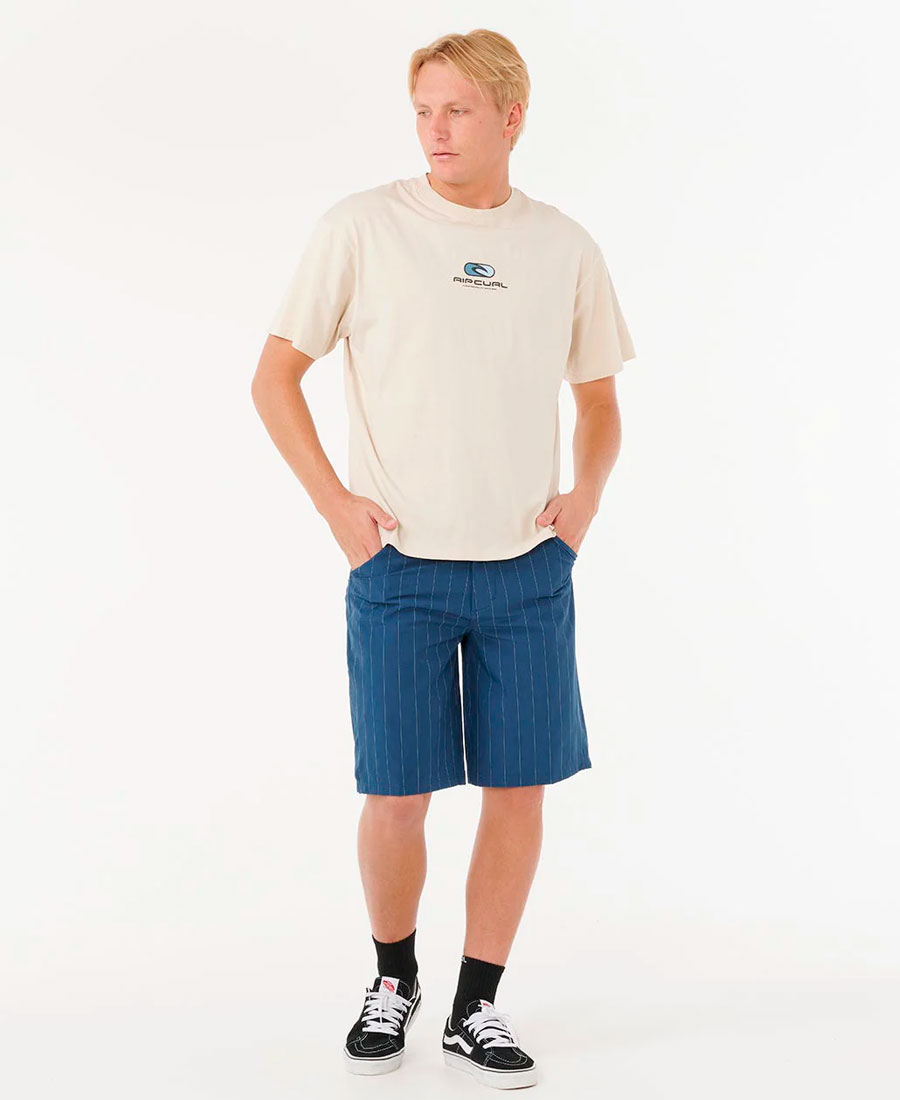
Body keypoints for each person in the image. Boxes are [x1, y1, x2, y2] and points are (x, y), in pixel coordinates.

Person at [251, 27, 636, 1091]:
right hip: (400, 569)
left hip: (527, 571)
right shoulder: (363, 227)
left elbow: (601, 401)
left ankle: (478, 1004)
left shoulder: (562, 245)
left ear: (512, 117)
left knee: (519, 789)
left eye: (457, 109)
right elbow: (274, 377)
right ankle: (394, 979)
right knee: (396, 794)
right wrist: (335, 507)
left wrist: (583, 502)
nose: (435, 129)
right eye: (423, 109)